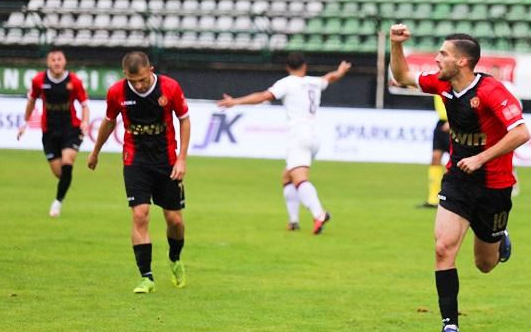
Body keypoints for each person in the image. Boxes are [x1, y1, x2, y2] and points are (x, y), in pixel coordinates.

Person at [389, 24, 529, 332]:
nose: (437, 59)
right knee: (443, 248)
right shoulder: (441, 84)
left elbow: (521, 133)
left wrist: (481, 158)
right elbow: (404, 74)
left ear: (462, 62)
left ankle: (499, 238)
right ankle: (450, 326)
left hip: (494, 186)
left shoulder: (492, 92)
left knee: (485, 264)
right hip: (458, 182)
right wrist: (396, 45)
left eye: (443, 54)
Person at [87, 52, 191, 294]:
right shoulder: (116, 93)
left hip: (167, 162)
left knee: (174, 220)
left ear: (150, 70)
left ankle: (175, 258)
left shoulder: (170, 87)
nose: (139, 85)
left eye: (143, 79)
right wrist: (95, 151)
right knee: (140, 215)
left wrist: (182, 159)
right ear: (126, 75)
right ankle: (146, 277)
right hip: (136, 161)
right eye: (133, 81)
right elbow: (109, 121)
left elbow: (184, 120)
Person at [217, 53, 351, 234]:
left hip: (298, 135)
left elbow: (264, 96)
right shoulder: (314, 81)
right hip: (314, 136)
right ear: (304, 66)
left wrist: (236, 102)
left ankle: (319, 214)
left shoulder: (286, 83)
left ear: (288, 68)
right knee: (287, 177)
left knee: (299, 178)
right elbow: (330, 77)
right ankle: (293, 222)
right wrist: (341, 71)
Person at [17, 48, 90, 217]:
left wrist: (85, 122)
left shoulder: (74, 81)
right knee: (60, 173)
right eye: (53, 60)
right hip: (49, 131)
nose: (56, 62)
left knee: (67, 162)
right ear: (48, 63)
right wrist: (25, 123)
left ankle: (57, 203)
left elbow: (85, 104)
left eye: (59, 59)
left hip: (71, 128)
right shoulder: (39, 80)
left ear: (65, 62)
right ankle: (64, 186)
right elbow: (32, 101)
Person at [422, 95, 451, 208]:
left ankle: (452, 197)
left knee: (456, 162)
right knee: (435, 158)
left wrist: (452, 120)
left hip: (455, 122)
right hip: (441, 123)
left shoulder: (455, 80)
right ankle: (433, 198)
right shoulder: (437, 80)